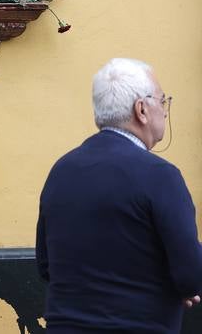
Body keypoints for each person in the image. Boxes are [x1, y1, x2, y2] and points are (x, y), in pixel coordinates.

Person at [36, 57, 202, 333]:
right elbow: (191, 274)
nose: (165, 110)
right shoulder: (161, 176)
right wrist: (180, 286)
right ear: (142, 110)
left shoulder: (61, 171)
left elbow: (46, 265)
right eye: (162, 101)